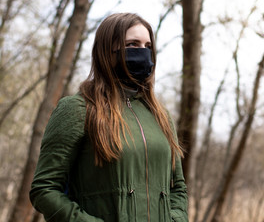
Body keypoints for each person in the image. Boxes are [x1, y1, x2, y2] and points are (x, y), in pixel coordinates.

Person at [30, 13, 188, 222]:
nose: (143, 52)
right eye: (132, 44)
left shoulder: (160, 115)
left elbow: (178, 187)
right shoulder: (78, 109)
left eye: (148, 46)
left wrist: (175, 219)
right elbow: (44, 188)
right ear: (107, 51)